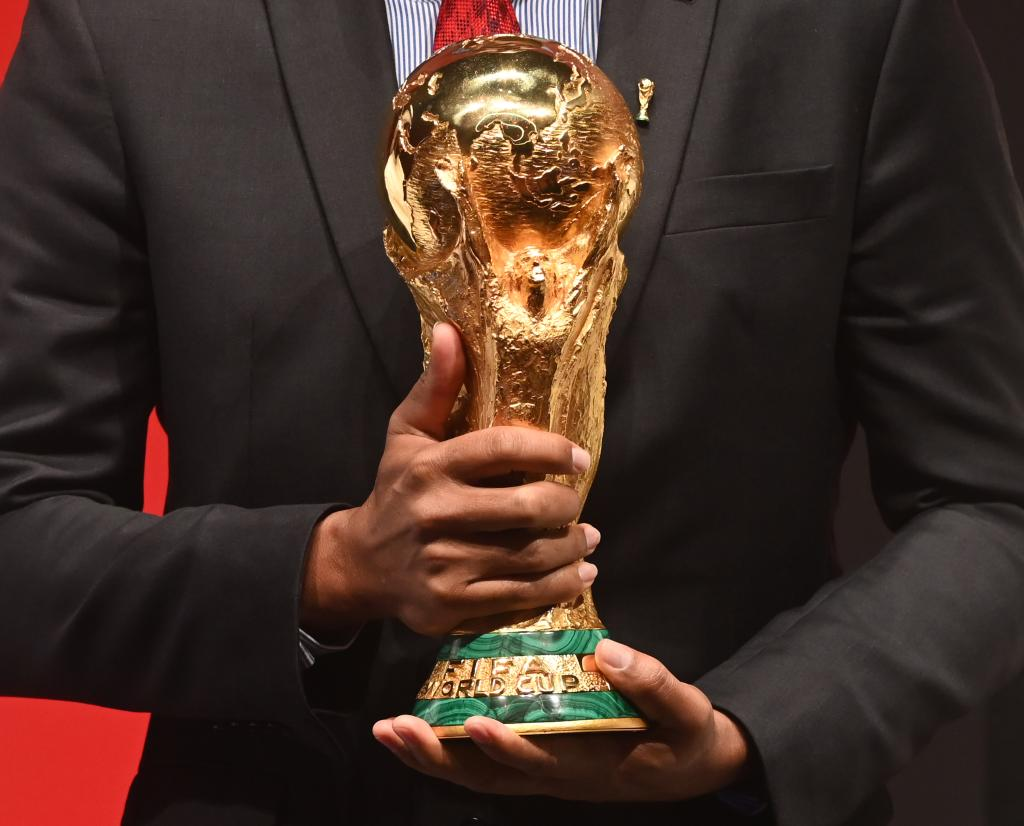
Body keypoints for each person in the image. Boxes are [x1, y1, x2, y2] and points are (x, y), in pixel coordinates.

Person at [1, 0, 1022, 824]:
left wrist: (751, 730)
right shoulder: (122, 25)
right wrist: (330, 568)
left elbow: (993, 500)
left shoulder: (853, 19)